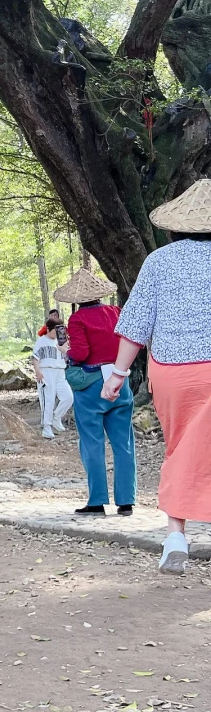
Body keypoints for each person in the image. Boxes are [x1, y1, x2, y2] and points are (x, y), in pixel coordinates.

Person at [105, 178, 211, 575]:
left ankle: (176, 536)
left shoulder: (159, 262)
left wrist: (116, 374)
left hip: (173, 373)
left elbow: (135, 325)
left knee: (180, 446)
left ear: (174, 227)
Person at [55, 268, 135, 517]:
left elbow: (80, 353)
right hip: (120, 381)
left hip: (91, 386)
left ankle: (97, 501)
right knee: (124, 443)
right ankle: (126, 502)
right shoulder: (116, 312)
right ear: (100, 295)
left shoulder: (77, 320)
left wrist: (65, 351)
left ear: (77, 299)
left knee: (92, 443)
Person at [32, 317, 73, 438]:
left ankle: (56, 417)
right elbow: (35, 357)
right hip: (46, 371)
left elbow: (67, 355)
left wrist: (65, 346)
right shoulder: (41, 341)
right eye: (55, 331)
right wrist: (38, 371)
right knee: (48, 400)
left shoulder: (62, 341)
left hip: (60, 371)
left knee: (68, 397)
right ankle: (46, 427)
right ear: (48, 329)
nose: (57, 333)